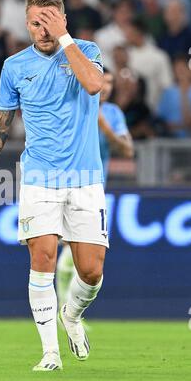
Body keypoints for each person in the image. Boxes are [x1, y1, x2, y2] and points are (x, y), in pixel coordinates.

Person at [0, 0, 106, 371]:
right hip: (39, 177)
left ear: (62, 20)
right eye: (35, 23)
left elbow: (94, 85)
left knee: (91, 272)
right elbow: (1, 124)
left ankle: (72, 316)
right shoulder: (14, 66)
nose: (42, 29)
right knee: (42, 256)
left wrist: (65, 39)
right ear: (26, 24)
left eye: (49, 21)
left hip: (85, 178)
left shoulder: (87, 50)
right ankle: (50, 353)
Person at [56, 68, 134, 310]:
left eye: (111, 82)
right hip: (64, 187)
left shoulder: (112, 113)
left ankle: (67, 310)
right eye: (103, 81)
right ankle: (64, 311)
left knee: (82, 255)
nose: (107, 87)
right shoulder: (73, 104)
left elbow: (128, 151)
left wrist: (104, 127)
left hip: (94, 191)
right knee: (68, 250)